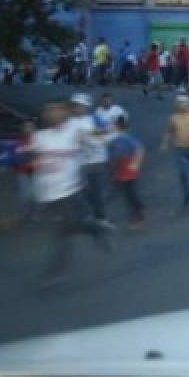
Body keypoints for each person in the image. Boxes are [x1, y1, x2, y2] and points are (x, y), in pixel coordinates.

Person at [26, 101, 115, 287]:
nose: (51, 111)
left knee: (62, 233)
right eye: (48, 109)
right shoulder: (39, 137)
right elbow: (29, 156)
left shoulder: (74, 131)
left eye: (56, 108)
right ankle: (96, 229)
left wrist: (110, 132)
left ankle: (54, 273)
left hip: (69, 192)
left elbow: (97, 138)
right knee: (71, 226)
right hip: (46, 195)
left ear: (65, 113)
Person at [69, 93, 113, 226]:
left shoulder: (93, 119)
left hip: (97, 160)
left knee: (96, 191)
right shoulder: (70, 122)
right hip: (80, 162)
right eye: (75, 106)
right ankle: (87, 215)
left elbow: (108, 131)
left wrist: (95, 135)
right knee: (82, 192)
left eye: (79, 106)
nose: (77, 108)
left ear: (86, 107)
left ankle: (101, 218)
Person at [107, 113, 146, 228]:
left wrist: (135, 164)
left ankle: (139, 214)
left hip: (127, 169)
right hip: (120, 169)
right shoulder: (115, 140)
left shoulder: (125, 139)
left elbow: (139, 149)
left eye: (115, 126)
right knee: (127, 194)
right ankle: (137, 213)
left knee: (130, 194)